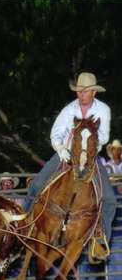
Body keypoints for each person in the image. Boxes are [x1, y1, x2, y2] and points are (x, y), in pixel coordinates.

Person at [24, 72, 114, 258]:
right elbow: (56, 133)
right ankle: (24, 226)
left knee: (110, 199)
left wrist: (88, 152)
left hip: (90, 155)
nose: (82, 94)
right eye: (79, 91)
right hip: (66, 154)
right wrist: (61, 150)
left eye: (86, 91)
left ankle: (99, 238)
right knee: (36, 186)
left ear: (93, 93)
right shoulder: (69, 110)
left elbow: (103, 135)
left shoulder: (103, 110)